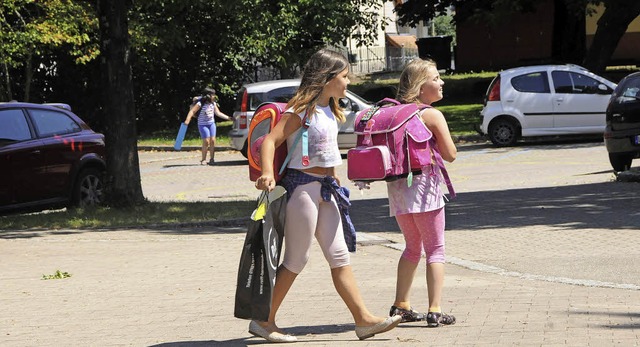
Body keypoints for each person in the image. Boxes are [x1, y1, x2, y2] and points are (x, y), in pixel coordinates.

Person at [252, 48, 402, 343]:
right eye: (345, 77)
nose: (348, 83)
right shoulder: (301, 111)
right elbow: (270, 142)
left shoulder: (331, 111)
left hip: (326, 190)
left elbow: (329, 156)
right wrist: (267, 173)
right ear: (328, 78)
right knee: (296, 259)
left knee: (339, 255)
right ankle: (263, 320)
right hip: (301, 189)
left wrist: (338, 186)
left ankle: (363, 321)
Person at [386, 58, 458, 327]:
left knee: (412, 247)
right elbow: (451, 154)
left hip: (397, 191)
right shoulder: (431, 114)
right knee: (436, 249)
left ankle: (400, 305)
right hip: (424, 188)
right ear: (419, 87)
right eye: (436, 78)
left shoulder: (396, 114)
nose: (442, 82)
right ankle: (435, 309)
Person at [183, 87, 231, 165]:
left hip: (211, 124)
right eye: (213, 95)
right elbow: (192, 111)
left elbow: (218, 113)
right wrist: (187, 120)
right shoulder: (200, 104)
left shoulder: (213, 104)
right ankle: (203, 159)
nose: (214, 96)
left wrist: (229, 118)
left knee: (212, 141)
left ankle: (212, 159)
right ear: (208, 96)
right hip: (202, 125)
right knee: (206, 141)